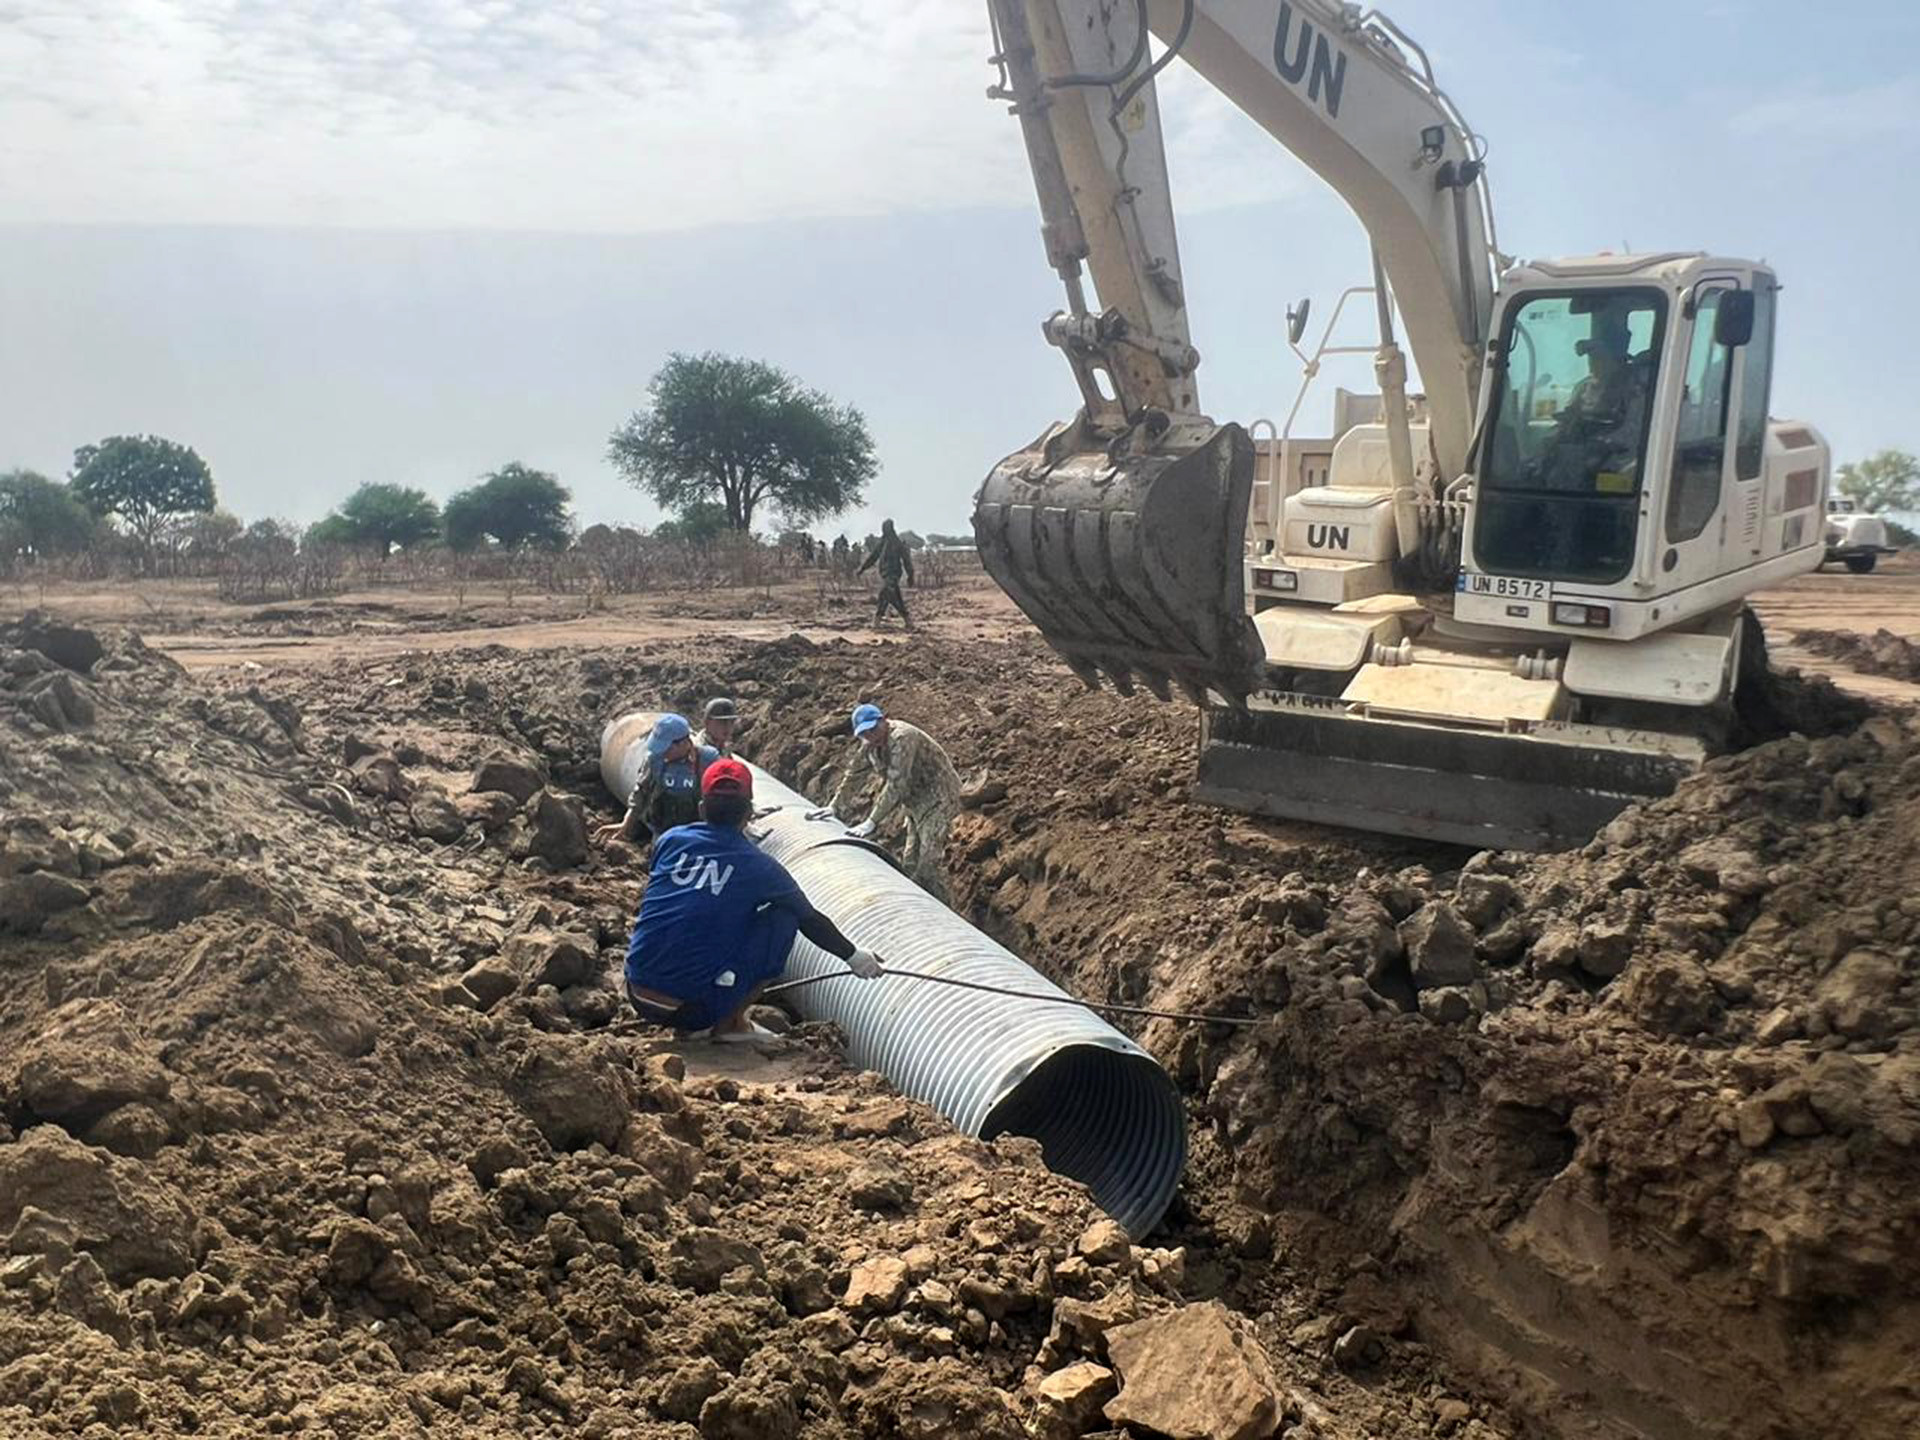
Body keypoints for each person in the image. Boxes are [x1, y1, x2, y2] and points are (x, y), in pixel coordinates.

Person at [625, 758, 885, 1040]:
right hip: (691, 1010)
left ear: (702, 808)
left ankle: (699, 1000)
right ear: (748, 814)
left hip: (635, 990)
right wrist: (854, 956)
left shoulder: (670, 840)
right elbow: (810, 919)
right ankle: (729, 1024)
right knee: (784, 917)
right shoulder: (759, 867)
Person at [816, 702, 961, 895]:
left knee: (928, 863)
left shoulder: (902, 737)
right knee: (909, 862)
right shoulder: (870, 744)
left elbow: (896, 785)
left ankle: (945, 914)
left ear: (883, 721)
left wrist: (871, 822)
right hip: (915, 804)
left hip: (940, 799)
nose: (870, 736)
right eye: (864, 734)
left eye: (873, 730)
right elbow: (854, 774)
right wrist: (834, 806)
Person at [1533, 308, 1653, 493]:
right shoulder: (1583, 387)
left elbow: (1635, 432)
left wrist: (1600, 442)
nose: (1593, 362)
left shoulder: (1634, 389)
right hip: (1582, 456)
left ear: (1615, 358)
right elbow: (1568, 418)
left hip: (1620, 460)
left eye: (1599, 356)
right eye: (1591, 357)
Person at [593, 713, 716, 850]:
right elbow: (641, 792)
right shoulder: (654, 760)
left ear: (683, 743)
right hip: (662, 834)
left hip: (698, 834)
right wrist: (626, 824)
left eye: (666, 747)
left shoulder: (707, 760)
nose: (662, 752)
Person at [858, 519, 915, 628]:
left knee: (884, 594)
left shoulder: (897, 543)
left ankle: (877, 621)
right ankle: (908, 621)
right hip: (885, 574)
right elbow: (873, 557)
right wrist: (863, 568)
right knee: (893, 597)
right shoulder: (882, 542)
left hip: (893, 574)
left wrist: (910, 575)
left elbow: (906, 560)